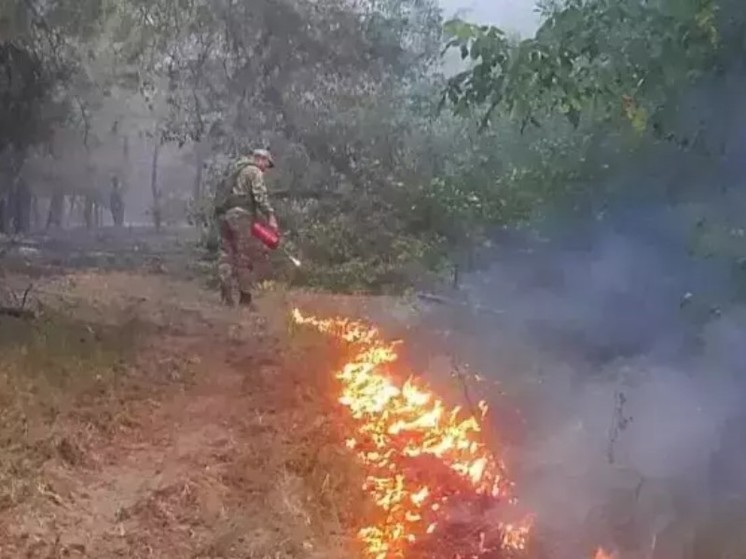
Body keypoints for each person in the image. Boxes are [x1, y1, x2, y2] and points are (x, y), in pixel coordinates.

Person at [214, 148, 278, 307]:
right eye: (266, 165)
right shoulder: (254, 171)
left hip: (225, 216)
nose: (265, 169)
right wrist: (270, 216)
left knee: (226, 255)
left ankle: (226, 291)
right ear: (261, 159)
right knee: (244, 256)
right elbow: (260, 197)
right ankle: (245, 299)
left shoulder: (236, 170)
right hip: (241, 217)